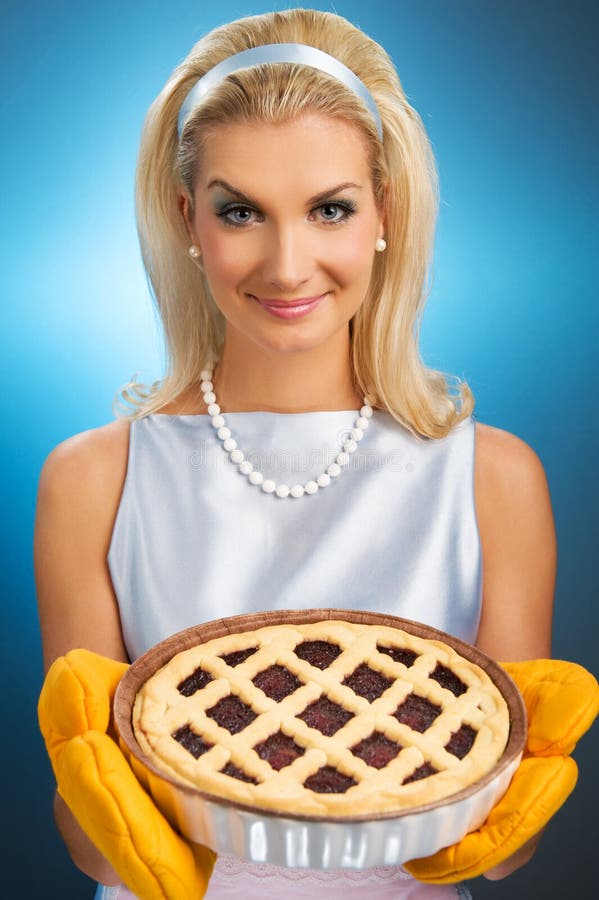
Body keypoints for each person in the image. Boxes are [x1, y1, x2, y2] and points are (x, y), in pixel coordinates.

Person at [34, 8, 568, 899]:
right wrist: (101, 811)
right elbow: (85, 836)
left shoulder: (493, 480)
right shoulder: (92, 480)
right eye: (240, 212)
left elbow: (502, 843)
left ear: (384, 214)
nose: (288, 267)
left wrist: (505, 809)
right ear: (186, 221)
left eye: (329, 209)